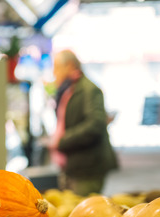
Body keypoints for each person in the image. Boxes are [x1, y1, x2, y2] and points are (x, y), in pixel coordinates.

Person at [47, 50, 118, 196]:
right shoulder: (68, 89)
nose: (54, 72)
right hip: (73, 164)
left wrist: (63, 140)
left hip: (88, 167)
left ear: (71, 66)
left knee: (83, 212)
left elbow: (95, 125)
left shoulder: (90, 90)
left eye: (57, 67)